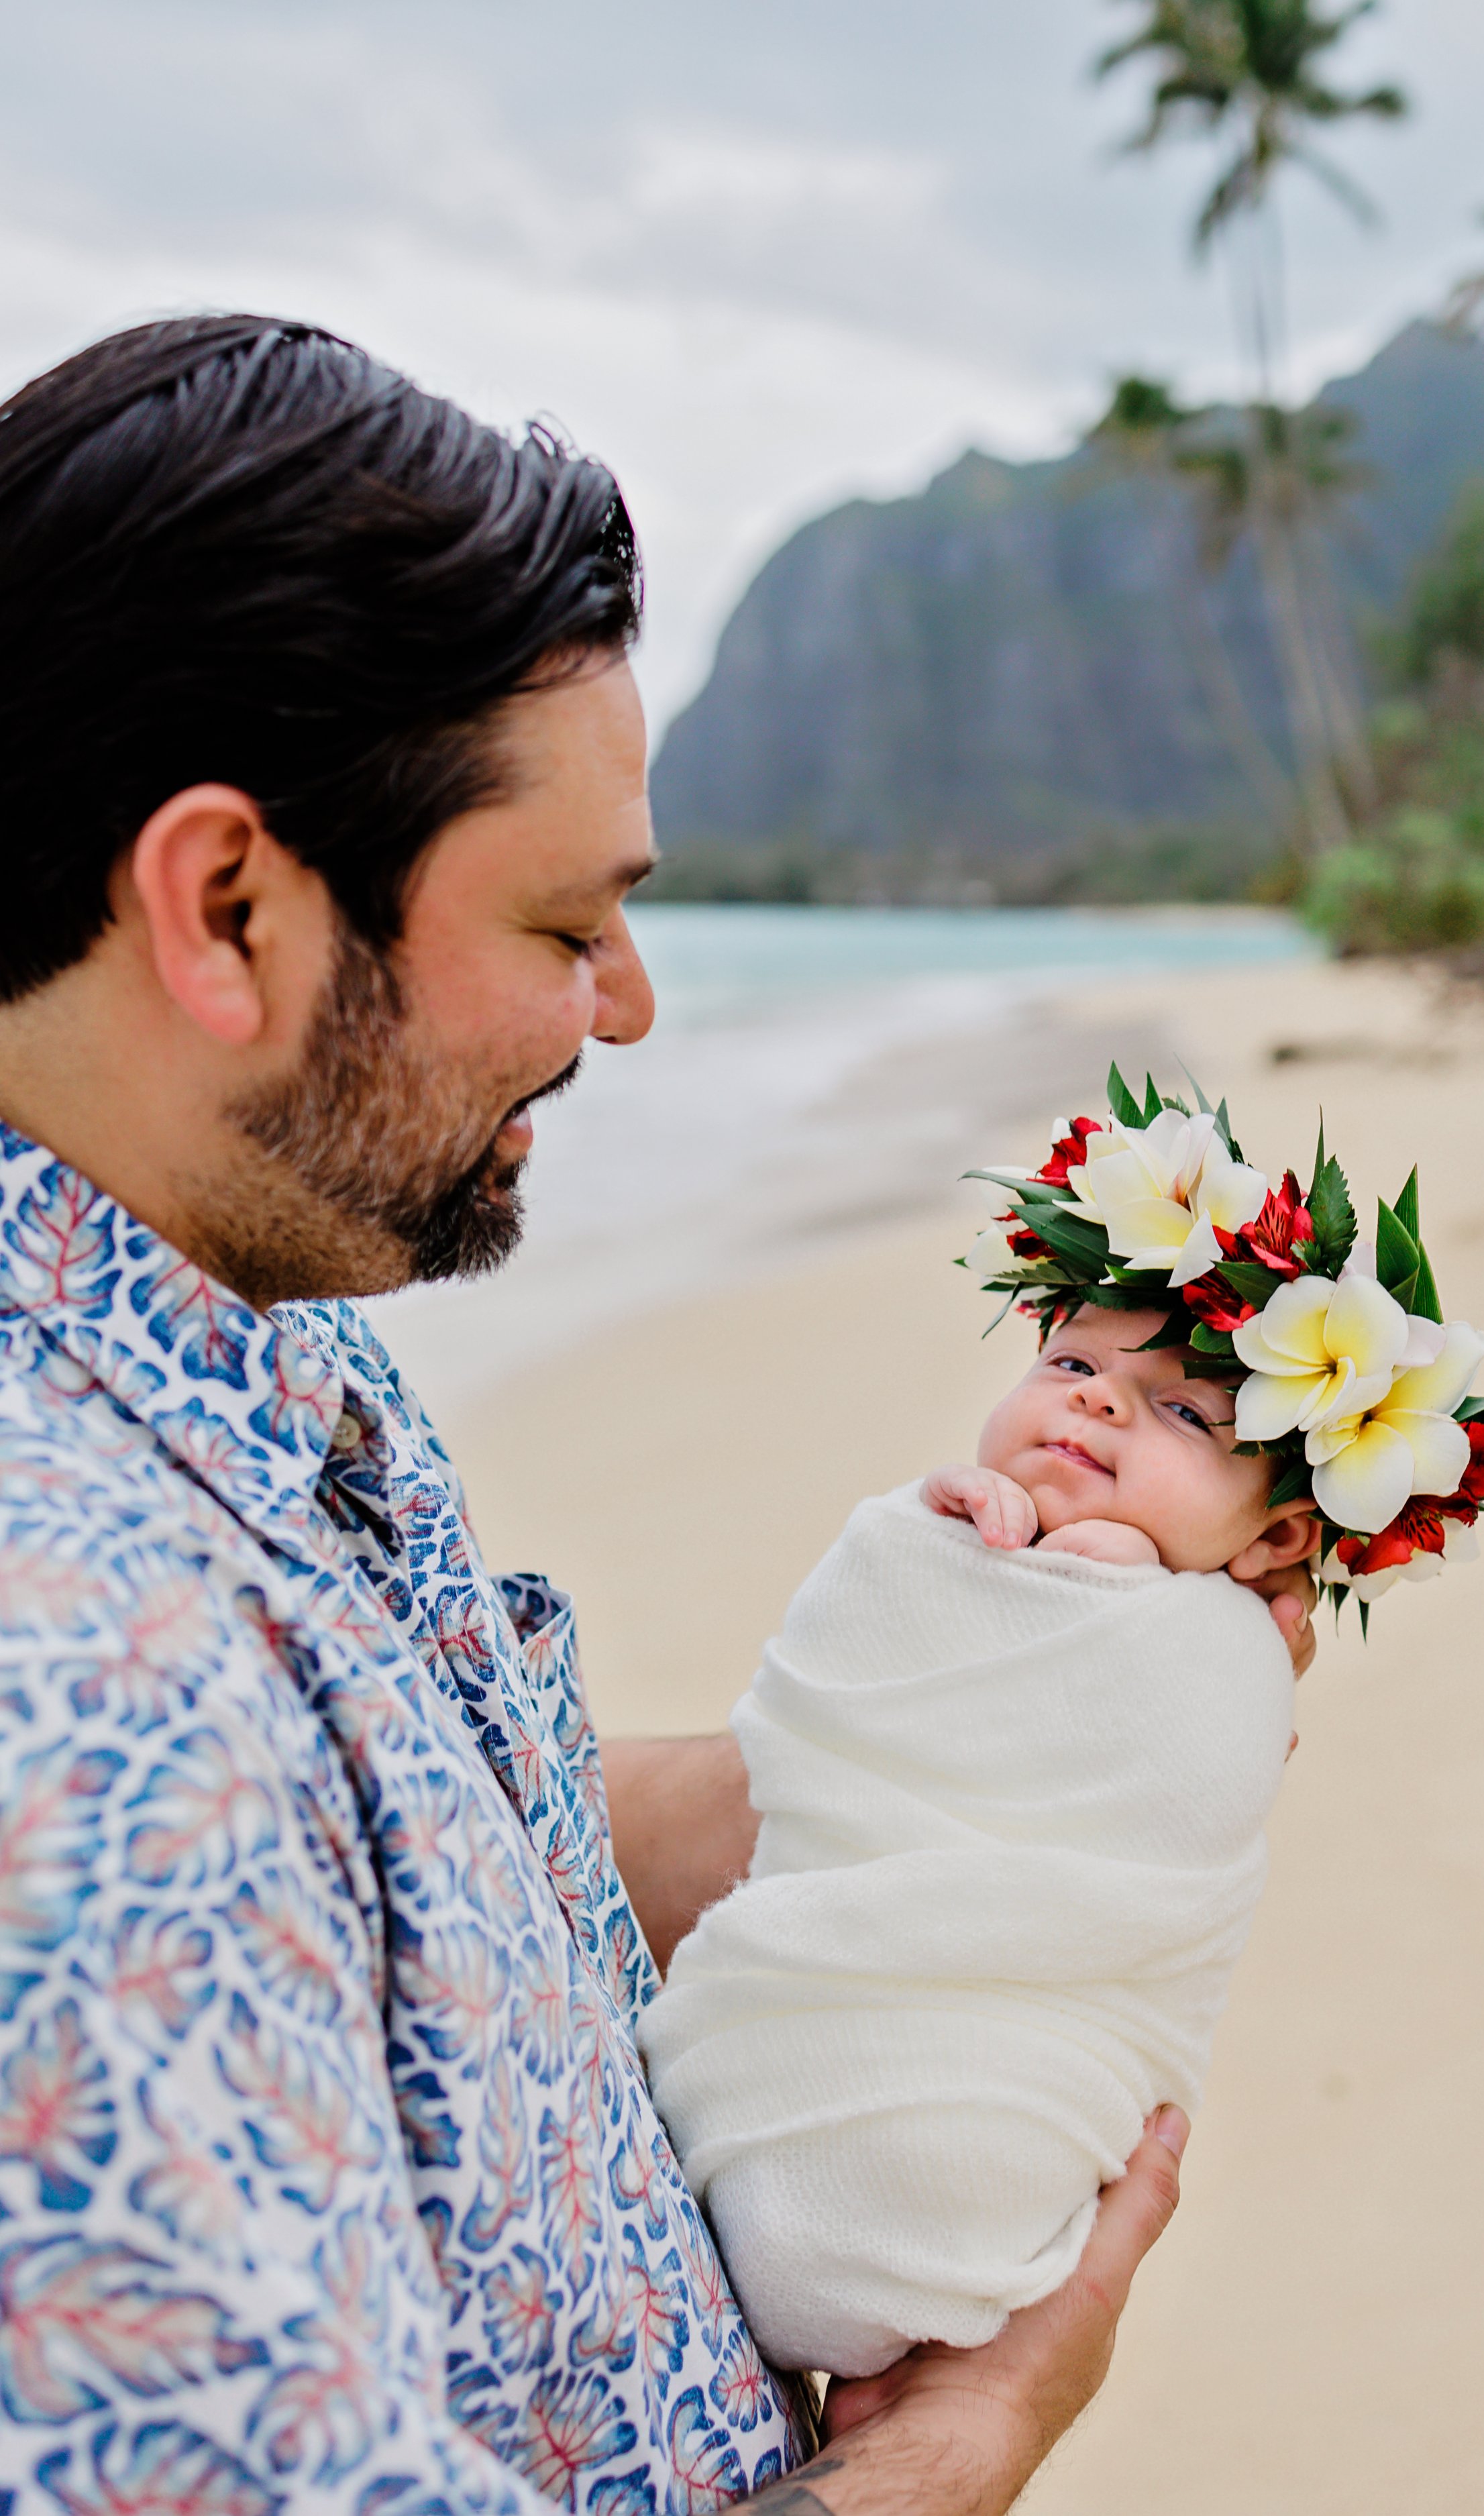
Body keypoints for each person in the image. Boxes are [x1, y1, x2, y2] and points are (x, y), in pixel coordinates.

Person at [0, 315, 1314, 2513]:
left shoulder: (241, 1309)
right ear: (226, 905)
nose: (631, 1005)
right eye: (567, 918)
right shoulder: (83, 1717)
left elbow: (395, 1831)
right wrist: (958, 2457)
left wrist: (963, 1758)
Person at [643, 1298, 1315, 2378]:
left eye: (1184, 1411)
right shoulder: (940, 1529)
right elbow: (839, 1676)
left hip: (1001, 2096)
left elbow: (1190, 1799)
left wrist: (1157, 1624)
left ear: (1277, 1536)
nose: (1096, 1397)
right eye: (1071, 1360)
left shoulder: (1228, 1649)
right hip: (798, 2032)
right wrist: (926, 1537)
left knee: (963, 2132)